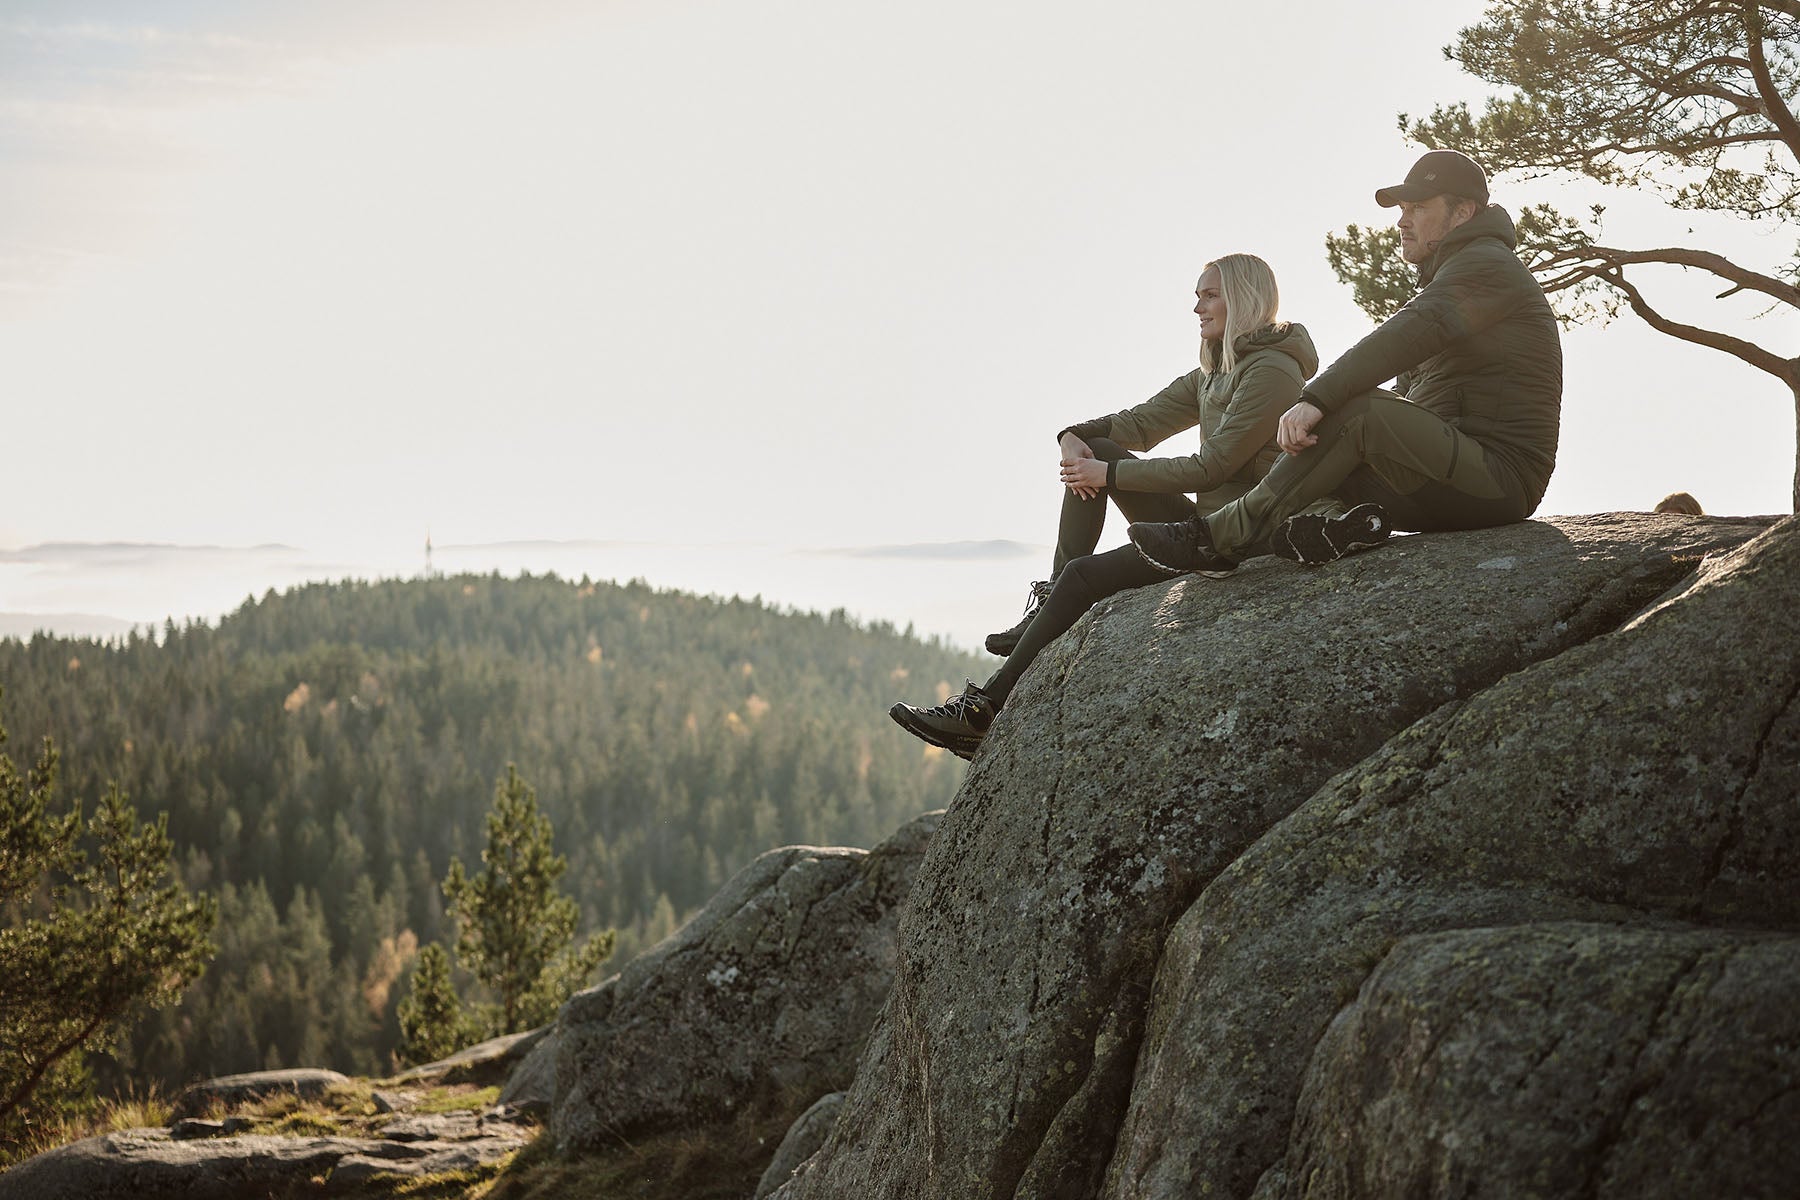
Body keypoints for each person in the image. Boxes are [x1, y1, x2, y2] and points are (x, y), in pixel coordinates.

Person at [889, 254, 1318, 758]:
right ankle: (1048, 599)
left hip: (1241, 538)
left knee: (1085, 578)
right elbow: (1139, 422)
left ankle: (983, 712)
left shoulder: (1272, 371)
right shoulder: (1215, 369)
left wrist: (1108, 474)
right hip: (1204, 526)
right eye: (1198, 294)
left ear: (1243, 299)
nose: (1196, 306)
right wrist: (1074, 437)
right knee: (1098, 456)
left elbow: (1214, 468)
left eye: (1209, 295)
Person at [1127, 150, 1562, 576]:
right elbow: (1408, 393)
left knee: (1356, 407)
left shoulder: (1489, 267)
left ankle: (1211, 539)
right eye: (1402, 209)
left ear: (1463, 212)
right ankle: (1329, 526)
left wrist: (1317, 398)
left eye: (1419, 208)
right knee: (1323, 456)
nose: (1403, 221)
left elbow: (1408, 332)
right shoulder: (1451, 278)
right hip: (1446, 475)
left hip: (1499, 479)